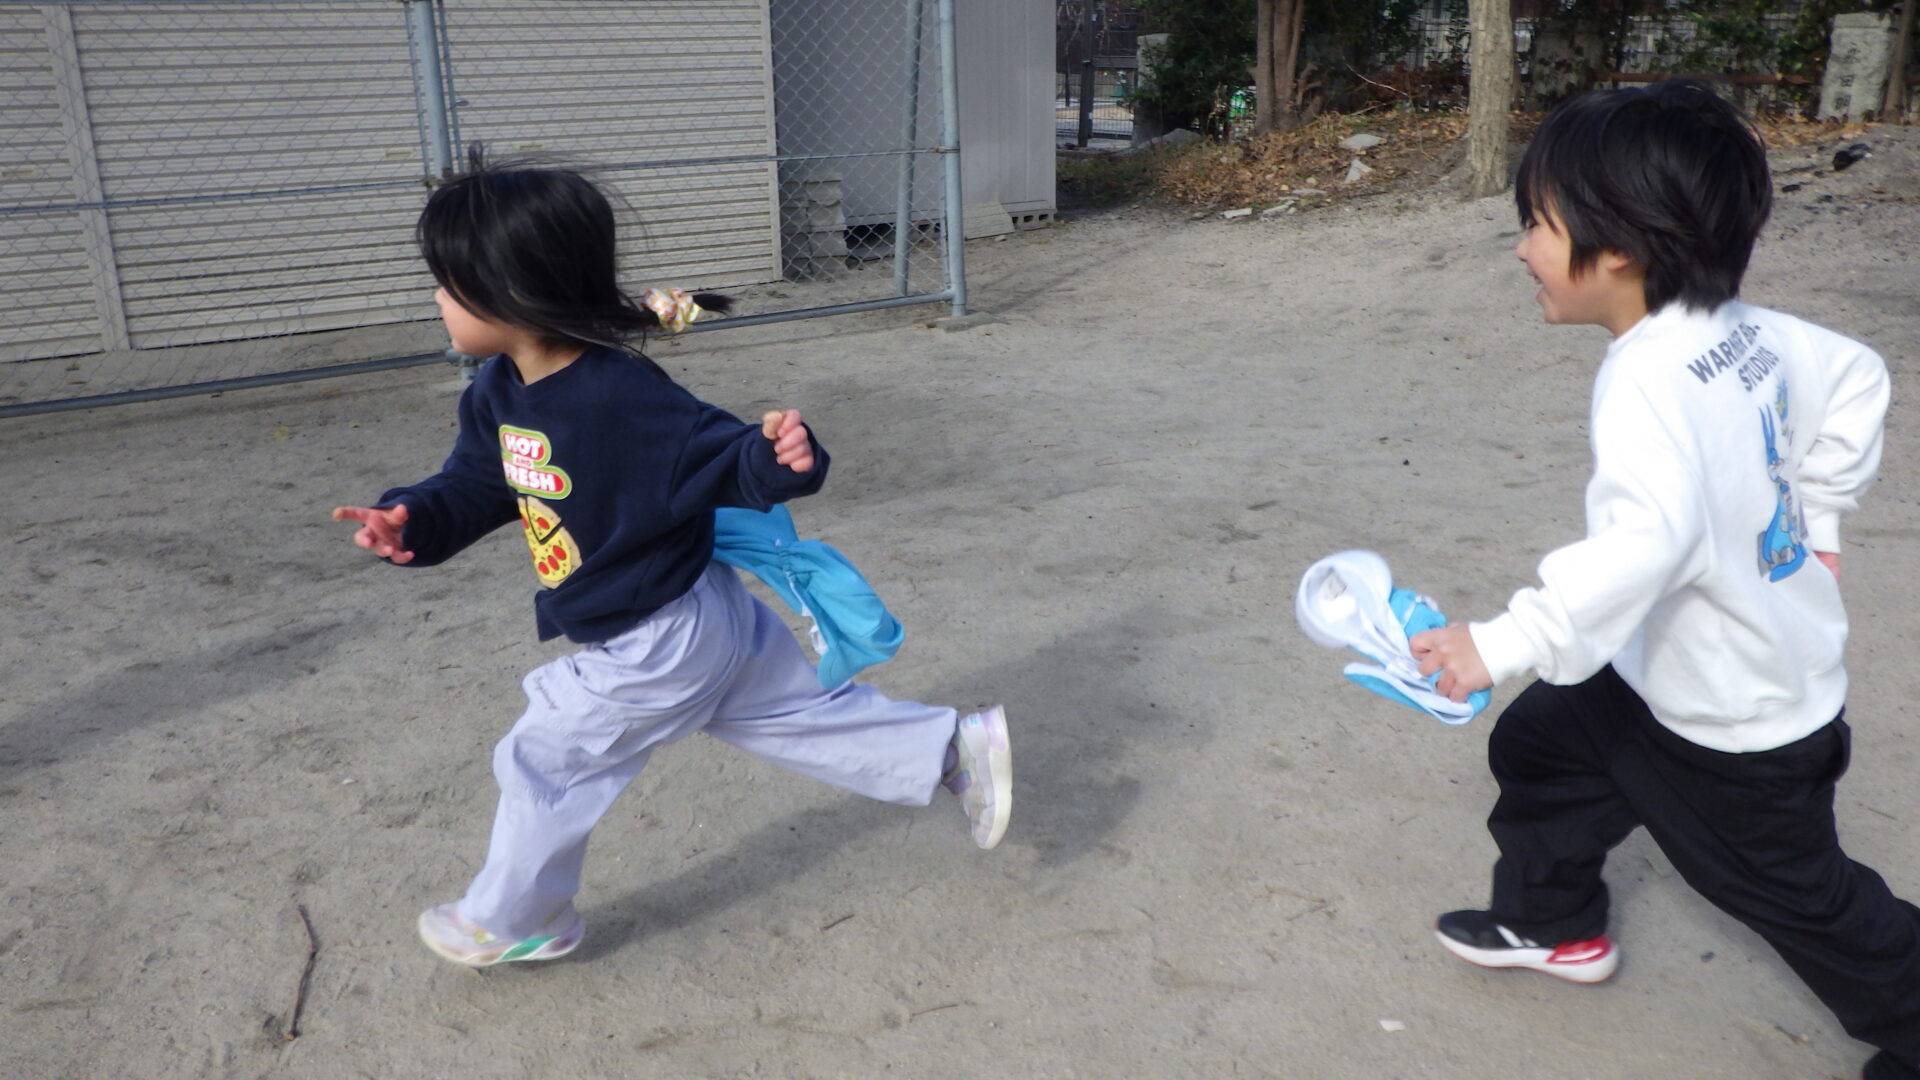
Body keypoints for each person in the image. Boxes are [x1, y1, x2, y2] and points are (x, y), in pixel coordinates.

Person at [331, 151, 1012, 968]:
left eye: (446, 284)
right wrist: (412, 518)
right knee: (790, 716)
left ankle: (514, 919)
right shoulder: (497, 392)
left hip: (657, 634)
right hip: (696, 610)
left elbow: (718, 453)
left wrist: (777, 457)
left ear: (508, 292)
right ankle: (951, 751)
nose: (438, 299)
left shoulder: (620, 395)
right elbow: (477, 482)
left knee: (546, 755)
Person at [1409, 81, 1918, 1080]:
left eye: (1537, 225)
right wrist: (1816, 519)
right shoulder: (1748, 328)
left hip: (1735, 722)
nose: (1521, 249)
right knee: (1542, 745)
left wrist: (1500, 643)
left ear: (1620, 249)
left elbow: (1642, 547)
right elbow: (1858, 373)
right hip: (1660, 664)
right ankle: (1554, 922)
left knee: (1805, 901)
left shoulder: (1647, 380)